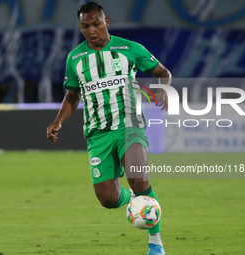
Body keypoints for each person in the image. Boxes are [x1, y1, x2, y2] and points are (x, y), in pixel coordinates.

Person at [47, 2, 171, 254]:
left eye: (96, 24)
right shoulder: (75, 58)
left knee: (138, 178)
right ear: (80, 27)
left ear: (107, 22)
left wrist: (163, 87)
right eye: (85, 26)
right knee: (108, 199)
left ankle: (156, 243)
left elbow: (163, 72)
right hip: (97, 134)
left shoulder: (130, 49)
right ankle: (135, 200)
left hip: (130, 125)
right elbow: (72, 95)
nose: (91, 30)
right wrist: (58, 120)